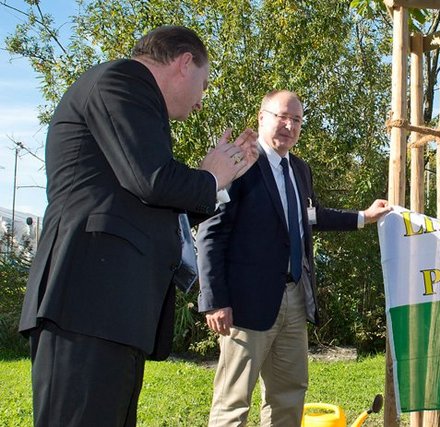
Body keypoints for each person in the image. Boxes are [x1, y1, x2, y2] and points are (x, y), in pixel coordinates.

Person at [18, 25, 260, 427]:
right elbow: (151, 180)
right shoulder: (121, 81)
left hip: (109, 309)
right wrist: (210, 178)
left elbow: (149, 199)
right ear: (185, 63)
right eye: (204, 83)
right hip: (86, 303)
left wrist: (215, 179)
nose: (200, 103)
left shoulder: (131, 98)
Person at [197, 90, 391, 427]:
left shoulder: (299, 169)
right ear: (261, 117)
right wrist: (214, 300)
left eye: (297, 119)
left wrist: (363, 216)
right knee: (233, 401)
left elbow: (310, 217)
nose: (289, 125)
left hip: (294, 298)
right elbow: (210, 234)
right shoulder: (240, 164)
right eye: (281, 116)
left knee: (289, 395)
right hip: (246, 306)